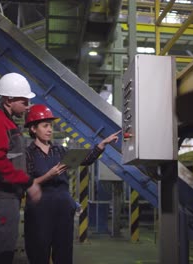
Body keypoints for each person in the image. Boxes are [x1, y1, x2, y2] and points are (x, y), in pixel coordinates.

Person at [23, 104, 121, 264]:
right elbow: (24, 183)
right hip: (39, 213)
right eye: (45, 125)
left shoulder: (60, 151)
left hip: (63, 212)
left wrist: (102, 145)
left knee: (64, 256)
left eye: (51, 126)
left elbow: (86, 159)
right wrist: (49, 175)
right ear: (33, 129)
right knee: (38, 255)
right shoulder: (28, 154)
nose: (50, 129)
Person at [0, 72, 43, 264]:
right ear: (9, 99)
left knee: (4, 251)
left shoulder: (5, 121)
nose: (27, 106)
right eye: (24, 101)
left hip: (7, 197)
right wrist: (28, 182)